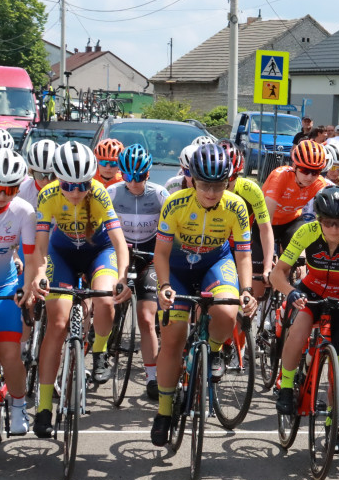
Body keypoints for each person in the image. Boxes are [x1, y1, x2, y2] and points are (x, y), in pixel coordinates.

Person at [150, 144, 257, 445]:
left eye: (219, 185)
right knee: (173, 336)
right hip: (178, 267)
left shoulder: (236, 206)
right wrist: (163, 286)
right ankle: (164, 410)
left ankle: (210, 351)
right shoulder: (174, 204)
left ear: (228, 182)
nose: (212, 192)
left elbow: (244, 255)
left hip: (215, 262)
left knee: (227, 310)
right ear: (192, 180)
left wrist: (247, 290)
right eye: (205, 185)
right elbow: (160, 253)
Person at [32, 142, 132, 438]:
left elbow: (118, 242)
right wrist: (39, 273)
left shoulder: (99, 194)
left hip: (96, 251)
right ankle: (44, 406)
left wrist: (123, 277)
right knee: (58, 325)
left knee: (105, 300)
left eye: (82, 185)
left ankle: (99, 351)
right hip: (61, 254)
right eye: (68, 185)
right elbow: (39, 247)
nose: (75, 192)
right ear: (57, 179)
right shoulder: (47, 195)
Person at [272, 187, 339, 450]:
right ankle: (286, 386)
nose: (334, 229)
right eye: (329, 223)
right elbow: (278, 274)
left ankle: (333, 422)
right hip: (311, 294)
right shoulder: (306, 232)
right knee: (299, 329)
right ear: (319, 219)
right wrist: (290, 293)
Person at [0, 149, 39, 434]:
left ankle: (17, 407)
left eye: (11, 189)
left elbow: (30, 257)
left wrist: (28, 286)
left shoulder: (24, 212)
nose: (3, 194)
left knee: (10, 353)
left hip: (3, 286)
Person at [107, 144, 170, 399]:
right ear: (121, 173)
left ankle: (152, 378)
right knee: (106, 301)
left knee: (146, 318)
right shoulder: (111, 193)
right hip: (118, 253)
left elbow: (171, 231)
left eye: (140, 177)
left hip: (149, 256)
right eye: (128, 176)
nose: (134, 183)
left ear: (148, 174)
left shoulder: (160, 194)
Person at [219, 140, 274, 301]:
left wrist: (267, 266)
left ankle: (246, 323)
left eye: (233, 177)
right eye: (222, 178)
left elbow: (265, 229)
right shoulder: (201, 191)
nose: (227, 184)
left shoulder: (250, 190)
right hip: (215, 245)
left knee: (251, 296)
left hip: (242, 243)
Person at [261, 140, 330, 260]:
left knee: (299, 260)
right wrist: (268, 259)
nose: (309, 177)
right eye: (305, 170)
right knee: (262, 272)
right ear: (294, 166)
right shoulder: (280, 177)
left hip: (291, 221)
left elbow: (326, 219)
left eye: (315, 172)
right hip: (266, 223)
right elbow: (266, 221)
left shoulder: (319, 183)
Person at [19, 139, 57, 208]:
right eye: (39, 175)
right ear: (32, 173)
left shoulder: (69, 192)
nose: (45, 181)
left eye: (52, 176)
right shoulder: (22, 192)